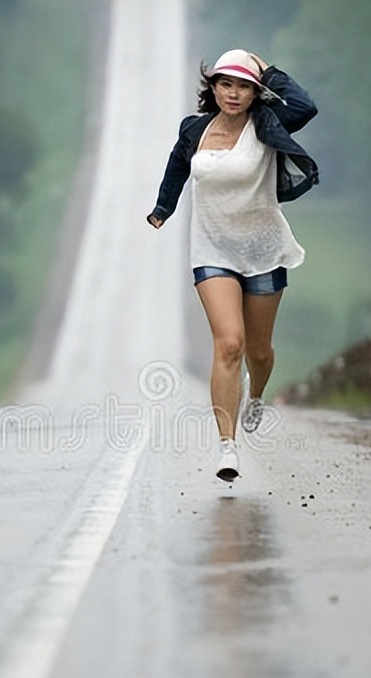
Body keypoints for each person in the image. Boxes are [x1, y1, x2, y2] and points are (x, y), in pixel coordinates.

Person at [147, 48, 318, 482]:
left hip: (261, 248)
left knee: (259, 353)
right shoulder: (195, 129)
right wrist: (162, 208)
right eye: (226, 84)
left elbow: (305, 105)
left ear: (255, 91)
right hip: (212, 250)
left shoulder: (267, 125)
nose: (234, 94)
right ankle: (227, 448)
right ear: (213, 87)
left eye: (244, 85)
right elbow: (177, 167)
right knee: (229, 345)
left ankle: (255, 395)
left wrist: (266, 68)